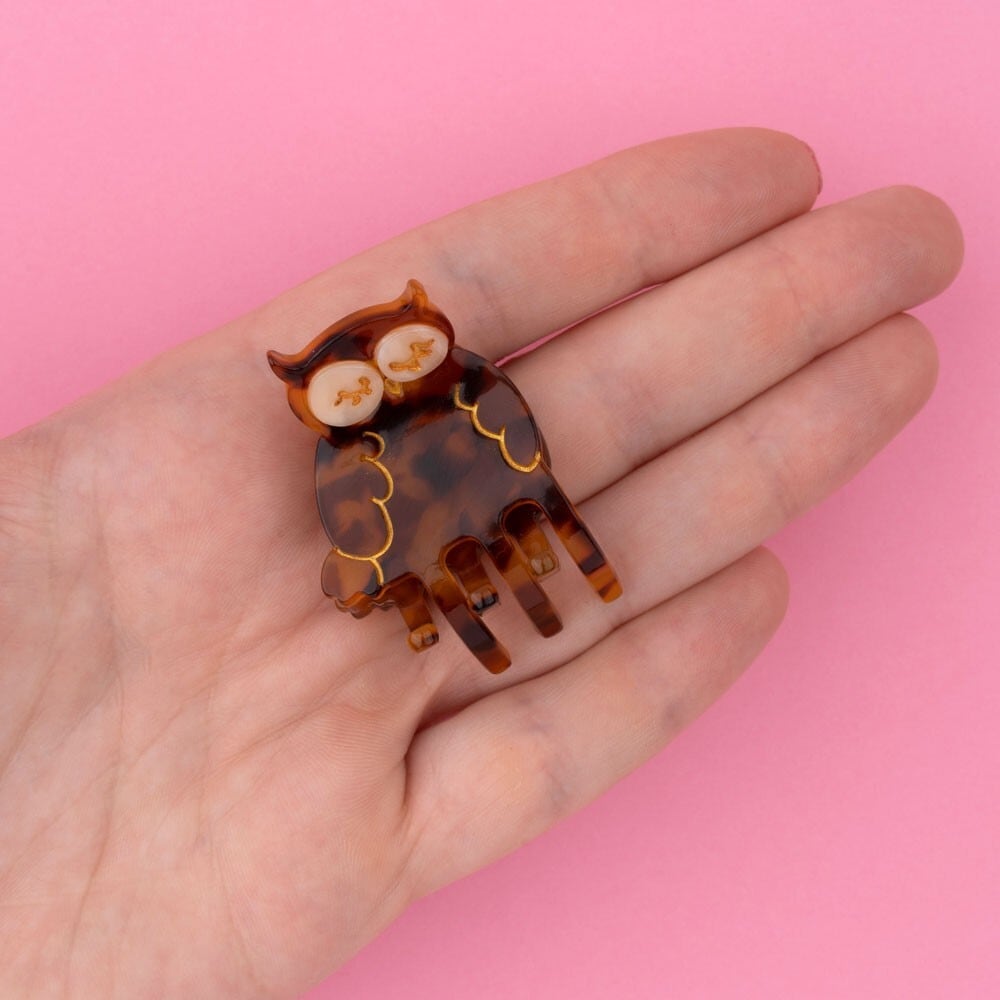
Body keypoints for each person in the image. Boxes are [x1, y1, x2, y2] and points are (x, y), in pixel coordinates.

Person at [0, 127, 962, 998]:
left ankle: (540, 580)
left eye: (395, 358)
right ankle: (485, 604)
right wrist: (372, 558)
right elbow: (354, 520)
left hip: (510, 499)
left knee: (526, 546)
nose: (380, 391)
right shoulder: (342, 455)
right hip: (426, 549)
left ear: (426, 329)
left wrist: (526, 471)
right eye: (349, 387)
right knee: (458, 584)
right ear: (314, 395)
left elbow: (510, 429)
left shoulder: (468, 382)